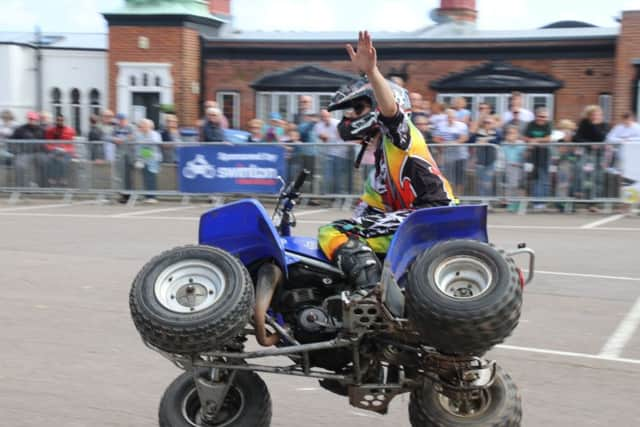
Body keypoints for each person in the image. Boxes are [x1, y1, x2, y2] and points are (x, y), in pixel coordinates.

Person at [317, 31, 454, 291]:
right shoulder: (378, 171)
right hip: (415, 220)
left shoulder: (400, 136)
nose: (349, 118)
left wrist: (371, 73)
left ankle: (368, 295)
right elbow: (365, 213)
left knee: (332, 232)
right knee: (350, 234)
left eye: (357, 109)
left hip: (430, 217)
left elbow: (391, 112)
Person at [433, 108, 469, 195]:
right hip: (447, 156)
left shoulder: (462, 125)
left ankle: (459, 197)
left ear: (455, 117)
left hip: (460, 155)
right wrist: (443, 143)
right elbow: (435, 138)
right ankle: (450, 196)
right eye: (449, 117)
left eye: (452, 116)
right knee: (448, 177)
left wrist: (453, 143)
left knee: (459, 178)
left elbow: (464, 138)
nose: (450, 118)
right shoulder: (440, 125)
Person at [523, 107, 553, 209]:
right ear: (536, 116)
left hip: (544, 154)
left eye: (545, 117)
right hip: (533, 154)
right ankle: (536, 201)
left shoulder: (548, 124)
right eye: (540, 116)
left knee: (544, 177)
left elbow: (548, 138)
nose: (542, 119)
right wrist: (535, 141)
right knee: (535, 178)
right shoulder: (531, 124)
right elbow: (525, 137)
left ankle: (544, 201)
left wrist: (535, 140)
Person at [11, 111, 46, 187]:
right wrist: (16, 152)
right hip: (24, 153)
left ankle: (43, 186)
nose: (32, 121)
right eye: (30, 119)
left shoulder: (42, 130)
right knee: (19, 165)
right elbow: (11, 140)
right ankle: (22, 187)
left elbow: (46, 142)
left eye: (34, 119)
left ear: (37, 120)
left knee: (46, 163)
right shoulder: (20, 129)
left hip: (38, 153)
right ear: (27, 119)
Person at [134, 118, 163, 203]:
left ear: (149, 126)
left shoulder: (155, 134)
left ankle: (152, 197)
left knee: (151, 178)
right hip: (143, 159)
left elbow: (154, 143)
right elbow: (138, 146)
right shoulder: (139, 135)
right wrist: (138, 158)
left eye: (143, 126)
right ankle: (147, 196)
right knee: (145, 178)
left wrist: (144, 146)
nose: (141, 128)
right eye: (141, 126)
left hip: (153, 159)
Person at [44, 114, 76, 187]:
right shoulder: (50, 130)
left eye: (61, 120)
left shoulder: (70, 131)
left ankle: (63, 179)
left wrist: (66, 150)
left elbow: (72, 144)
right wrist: (53, 148)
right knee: (49, 159)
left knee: (63, 161)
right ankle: (51, 179)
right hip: (54, 151)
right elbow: (47, 143)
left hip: (66, 151)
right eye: (58, 120)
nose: (60, 122)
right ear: (56, 121)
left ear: (64, 121)